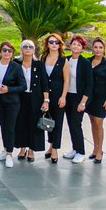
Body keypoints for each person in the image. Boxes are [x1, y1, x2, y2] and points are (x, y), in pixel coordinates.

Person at [0, 42, 26, 167]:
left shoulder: (16, 67)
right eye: (4, 50)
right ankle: (5, 149)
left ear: (12, 53)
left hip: (12, 102)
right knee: (3, 125)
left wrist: (9, 89)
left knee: (9, 127)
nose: (7, 53)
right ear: (0, 52)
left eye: (10, 51)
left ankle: (9, 154)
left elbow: (23, 86)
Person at [61, 36, 93, 164]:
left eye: (78, 45)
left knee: (76, 124)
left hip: (79, 98)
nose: (75, 46)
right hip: (67, 96)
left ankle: (81, 152)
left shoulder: (85, 63)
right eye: (74, 44)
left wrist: (83, 102)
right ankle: (75, 149)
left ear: (82, 49)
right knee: (70, 124)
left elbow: (89, 84)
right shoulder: (66, 60)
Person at [16, 40, 49, 163]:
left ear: (34, 49)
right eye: (25, 46)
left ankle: (31, 149)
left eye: (31, 47)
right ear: (21, 49)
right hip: (20, 98)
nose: (28, 49)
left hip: (35, 98)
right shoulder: (16, 63)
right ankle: (22, 148)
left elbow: (44, 83)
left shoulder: (39, 65)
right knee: (21, 123)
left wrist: (46, 101)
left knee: (34, 124)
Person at [40, 34, 70, 164]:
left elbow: (67, 80)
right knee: (48, 122)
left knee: (57, 123)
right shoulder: (43, 58)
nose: (53, 44)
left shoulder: (63, 60)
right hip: (46, 96)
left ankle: (55, 149)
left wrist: (63, 96)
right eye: (51, 42)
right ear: (47, 44)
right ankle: (50, 145)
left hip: (58, 95)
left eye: (56, 42)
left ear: (60, 45)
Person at [86, 38, 106, 164]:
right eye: (96, 47)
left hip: (102, 98)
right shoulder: (87, 62)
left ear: (104, 49)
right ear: (92, 48)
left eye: (100, 47)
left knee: (98, 123)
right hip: (89, 98)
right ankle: (95, 147)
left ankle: (100, 150)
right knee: (92, 122)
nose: (98, 49)